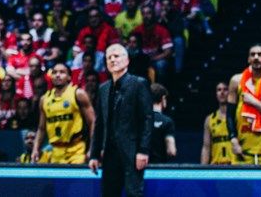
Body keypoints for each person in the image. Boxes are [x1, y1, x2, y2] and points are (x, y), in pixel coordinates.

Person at [88, 44, 152, 197]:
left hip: (132, 151)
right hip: (109, 153)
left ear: (127, 60)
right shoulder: (103, 88)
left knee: (133, 193)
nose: (112, 60)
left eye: (116, 56)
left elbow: (147, 119)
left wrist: (143, 150)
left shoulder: (138, 83)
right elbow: (99, 124)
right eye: (109, 57)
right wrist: (94, 154)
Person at [32, 62, 95, 164]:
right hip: (56, 150)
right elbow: (41, 128)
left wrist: (93, 149)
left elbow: (93, 123)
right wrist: (36, 148)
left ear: (69, 77)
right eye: (54, 72)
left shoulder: (78, 94)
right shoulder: (44, 99)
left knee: (75, 180)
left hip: (76, 150)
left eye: (62, 72)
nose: (57, 75)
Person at [200, 82, 235, 165]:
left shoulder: (237, 117)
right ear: (216, 94)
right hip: (216, 167)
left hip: (235, 167)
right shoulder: (209, 119)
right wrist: (202, 170)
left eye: (225, 89)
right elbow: (206, 147)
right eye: (219, 90)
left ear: (230, 92)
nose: (222, 92)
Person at [148, 83, 176, 163]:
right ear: (163, 98)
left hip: (140, 169)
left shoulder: (139, 119)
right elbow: (171, 151)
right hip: (159, 169)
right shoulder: (167, 121)